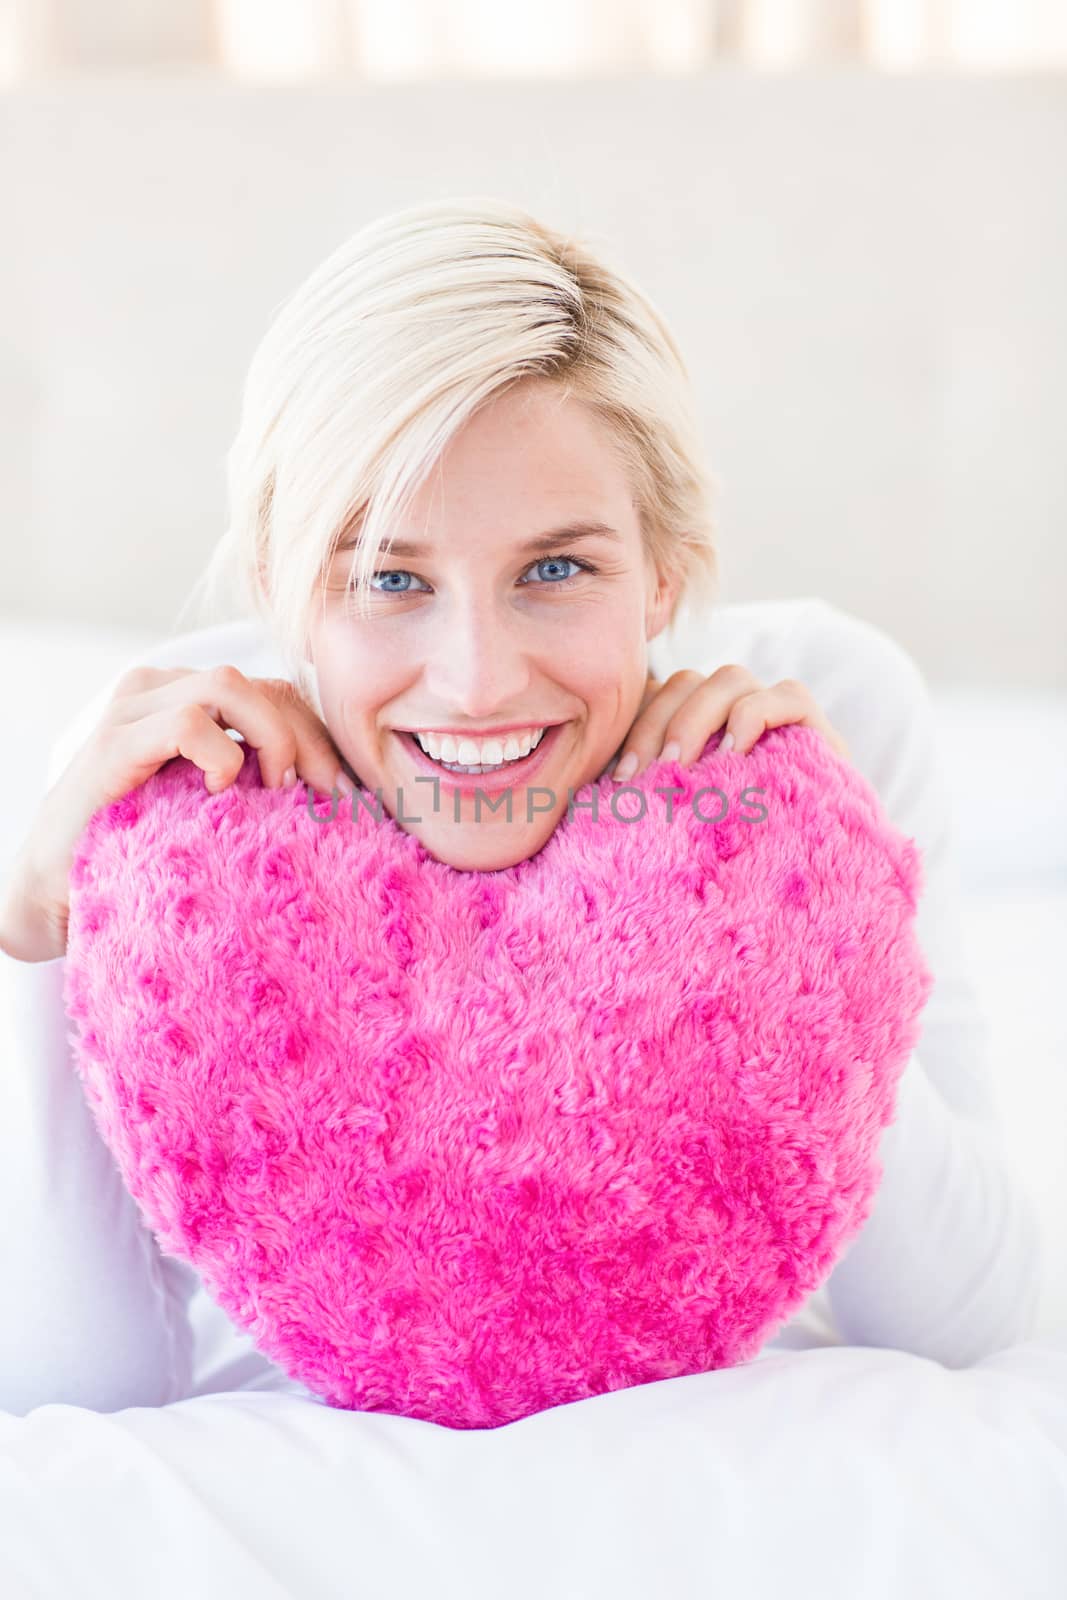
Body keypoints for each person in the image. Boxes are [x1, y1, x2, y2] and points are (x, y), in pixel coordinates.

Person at [0, 197, 1043, 1415]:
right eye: (390, 577)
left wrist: (812, 926)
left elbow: (977, 1327)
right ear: (280, 586)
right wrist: (34, 925)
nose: (477, 677)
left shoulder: (823, 709)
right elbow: (76, 1383)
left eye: (554, 570)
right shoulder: (178, 795)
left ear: (663, 570)